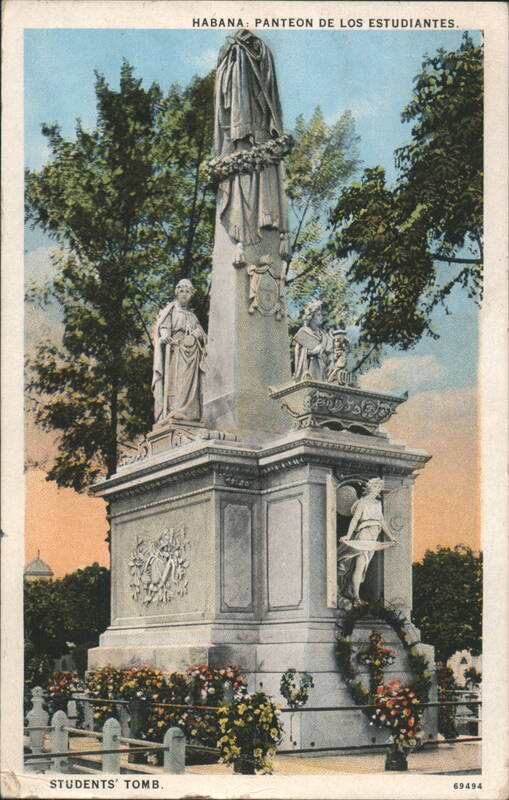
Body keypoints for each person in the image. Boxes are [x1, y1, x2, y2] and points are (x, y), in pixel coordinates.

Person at [151, 280, 206, 423]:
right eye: (182, 291)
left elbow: (202, 334)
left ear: (191, 295)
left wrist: (197, 334)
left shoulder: (192, 316)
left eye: (187, 292)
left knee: (190, 383)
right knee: (177, 382)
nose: (184, 294)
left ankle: (190, 412)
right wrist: (165, 335)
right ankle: (174, 410)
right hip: (176, 350)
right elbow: (164, 326)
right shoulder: (172, 310)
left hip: (193, 353)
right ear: (177, 292)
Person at [337, 478, 396, 603]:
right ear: (369, 487)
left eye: (379, 487)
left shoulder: (378, 504)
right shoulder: (362, 503)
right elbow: (355, 519)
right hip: (364, 536)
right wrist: (348, 535)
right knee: (360, 566)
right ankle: (356, 596)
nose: (377, 489)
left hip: (373, 537)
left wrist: (391, 537)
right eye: (375, 486)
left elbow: (382, 522)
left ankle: (355, 594)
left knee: (364, 567)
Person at [293, 299, 333, 381]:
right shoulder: (303, 333)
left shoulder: (325, 335)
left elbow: (330, 354)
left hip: (323, 372)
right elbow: (298, 353)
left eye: (321, 315)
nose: (321, 317)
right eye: (318, 315)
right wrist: (311, 352)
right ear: (311, 317)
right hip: (309, 371)